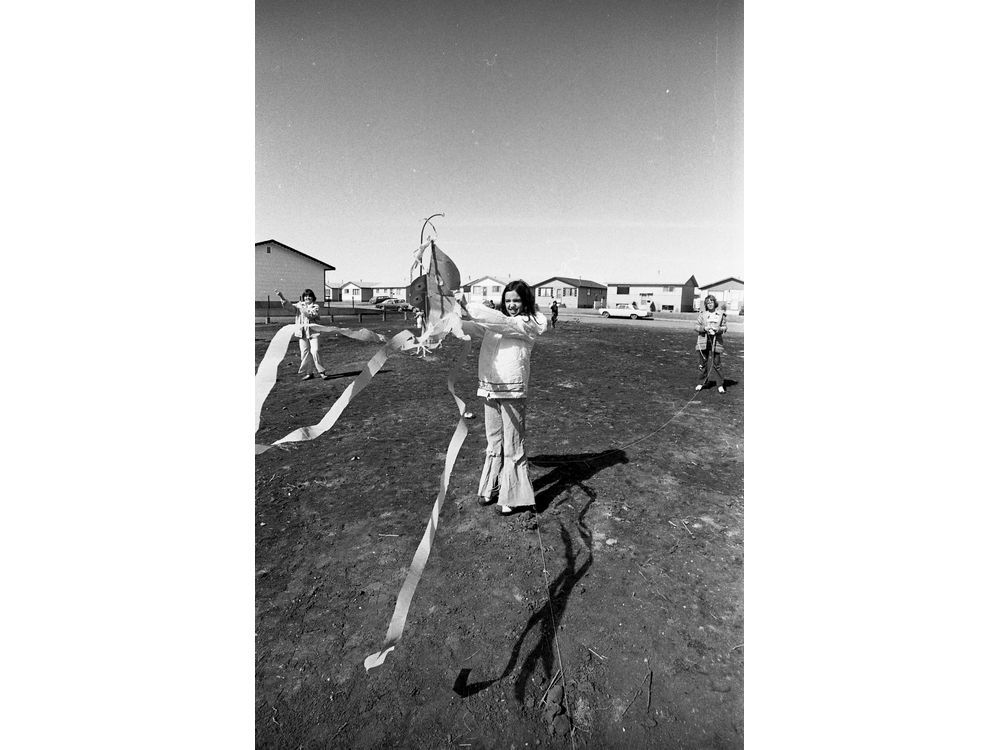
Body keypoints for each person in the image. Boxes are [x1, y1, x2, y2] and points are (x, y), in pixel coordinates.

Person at [458, 280, 548, 515]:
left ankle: (513, 496)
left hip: (512, 390)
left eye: (516, 300)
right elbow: (471, 326)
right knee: (494, 440)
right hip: (489, 388)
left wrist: (470, 304)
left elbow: (502, 323)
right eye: (508, 301)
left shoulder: (530, 322)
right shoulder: (495, 322)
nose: (511, 305)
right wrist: (444, 315)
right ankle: (491, 486)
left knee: (513, 444)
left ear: (525, 300)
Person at [274, 288, 330, 380]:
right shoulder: (299, 305)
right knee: (305, 353)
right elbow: (289, 307)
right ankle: (309, 373)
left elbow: (312, 315)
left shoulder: (315, 306)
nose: (307, 298)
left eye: (309, 296)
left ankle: (321, 372)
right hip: (302, 333)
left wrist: (302, 308)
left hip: (313, 333)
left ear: (313, 298)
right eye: (306, 296)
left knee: (315, 351)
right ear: (303, 297)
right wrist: (281, 296)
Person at [694, 294, 727, 393]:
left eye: (711, 302)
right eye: (708, 303)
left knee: (717, 363)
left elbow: (725, 327)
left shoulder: (721, 314)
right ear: (706, 305)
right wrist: (704, 328)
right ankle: (701, 383)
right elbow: (696, 326)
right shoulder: (702, 314)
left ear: (715, 303)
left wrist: (719, 329)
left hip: (716, 341)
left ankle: (720, 385)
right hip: (703, 340)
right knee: (702, 363)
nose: (710, 304)